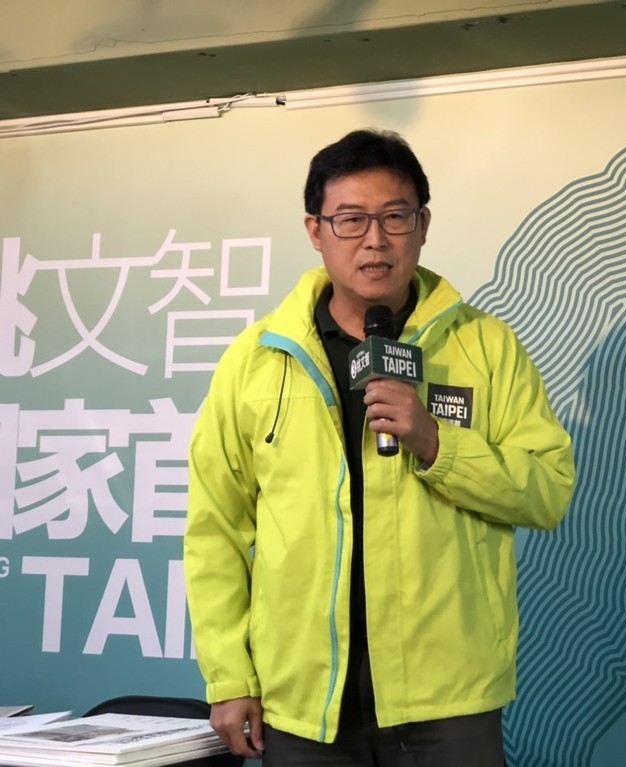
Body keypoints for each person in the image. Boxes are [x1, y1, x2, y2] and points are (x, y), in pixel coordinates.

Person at [183, 128, 575, 766]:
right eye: (350, 219)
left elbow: (547, 491)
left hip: (447, 695)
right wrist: (229, 678)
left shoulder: (486, 347)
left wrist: (436, 443)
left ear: (423, 225)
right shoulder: (257, 360)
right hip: (303, 698)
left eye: (395, 216)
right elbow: (215, 529)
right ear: (316, 231)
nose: (375, 239)